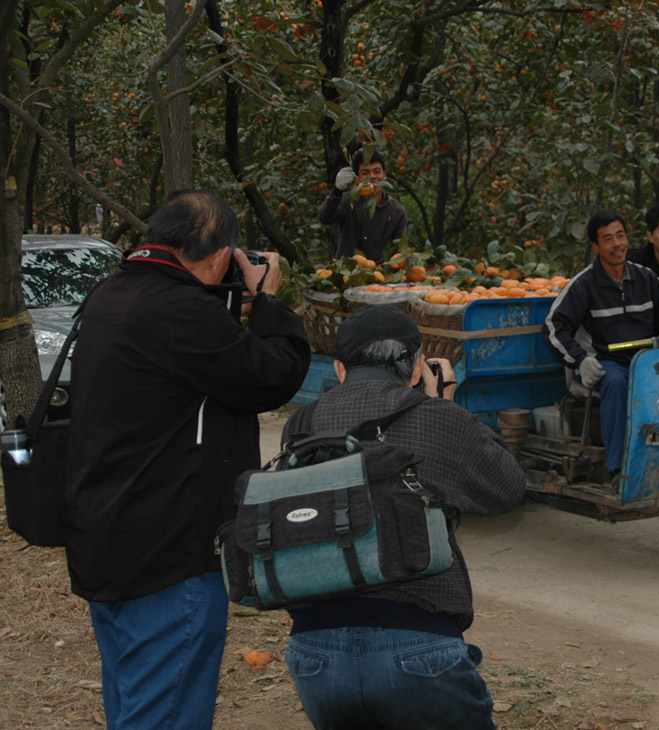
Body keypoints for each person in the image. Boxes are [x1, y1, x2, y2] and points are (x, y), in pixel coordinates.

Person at [64, 190, 311, 730]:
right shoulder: (178, 310)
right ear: (222, 255)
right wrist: (268, 302)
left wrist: (230, 307)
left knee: (135, 703)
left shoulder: (114, 293)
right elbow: (270, 375)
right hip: (167, 554)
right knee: (165, 716)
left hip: (111, 536)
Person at [280, 304, 525, 730]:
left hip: (316, 653)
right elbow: (507, 490)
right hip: (419, 650)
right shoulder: (438, 418)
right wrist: (447, 405)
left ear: (339, 369)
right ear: (416, 369)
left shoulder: (303, 422)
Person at [544, 210, 659, 477]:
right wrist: (581, 360)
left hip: (645, 360)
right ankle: (618, 469)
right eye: (608, 239)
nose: (617, 244)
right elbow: (553, 326)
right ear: (595, 246)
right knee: (616, 383)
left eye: (620, 236)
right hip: (605, 363)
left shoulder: (644, 278)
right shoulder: (584, 285)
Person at [318, 150, 407, 262]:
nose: (372, 177)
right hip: (345, 270)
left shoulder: (396, 211)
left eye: (377, 171)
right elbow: (325, 218)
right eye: (365, 173)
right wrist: (336, 190)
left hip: (376, 273)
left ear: (384, 175)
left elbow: (400, 249)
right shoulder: (347, 201)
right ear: (357, 179)